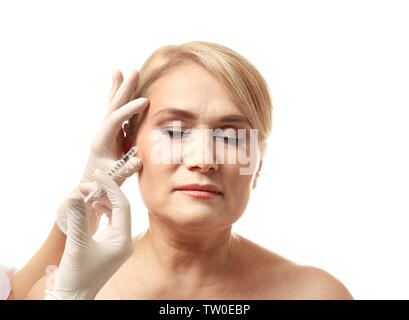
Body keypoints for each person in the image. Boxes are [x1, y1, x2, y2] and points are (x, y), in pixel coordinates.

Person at [4, 41, 353, 300]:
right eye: (173, 132)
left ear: (257, 164)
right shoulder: (62, 290)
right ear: (128, 148)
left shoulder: (315, 294)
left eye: (231, 137)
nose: (203, 159)